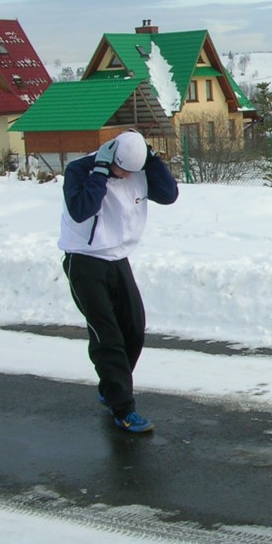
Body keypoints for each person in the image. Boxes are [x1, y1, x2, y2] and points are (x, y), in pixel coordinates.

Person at [58, 130, 179, 433]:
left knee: (134, 330)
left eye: (131, 171)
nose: (125, 176)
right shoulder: (80, 170)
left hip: (118, 260)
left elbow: (169, 195)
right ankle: (123, 409)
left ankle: (111, 388)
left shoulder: (139, 170)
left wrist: (152, 162)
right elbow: (81, 210)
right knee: (107, 337)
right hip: (84, 261)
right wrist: (100, 173)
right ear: (109, 155)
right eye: (120, 169)